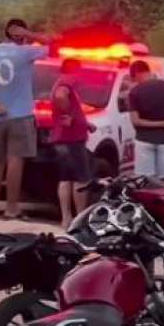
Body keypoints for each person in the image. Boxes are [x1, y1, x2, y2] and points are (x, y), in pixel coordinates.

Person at [0, 19, 53, 221]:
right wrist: (30, 34)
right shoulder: (26, 52)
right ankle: (11, 208)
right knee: (15, 160)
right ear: (20, 33)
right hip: (20, 115)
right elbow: (52, 44)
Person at [50, 58, 95, 229]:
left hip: (61, 139)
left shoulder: (57, 84)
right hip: (72, 139)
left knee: (65, 179)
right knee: (80, 179)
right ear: (74, 72)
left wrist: (86, 124)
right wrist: (68, 112)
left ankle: (66, 217)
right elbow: (61, 96)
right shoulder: (65, 86)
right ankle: (80, 218)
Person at [127, 60, 164, 186]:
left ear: (136, 74)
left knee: (144, 180)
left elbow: (136, 121)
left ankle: (149, 199)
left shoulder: (135, 92)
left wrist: (159, 124)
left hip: (144, 140)